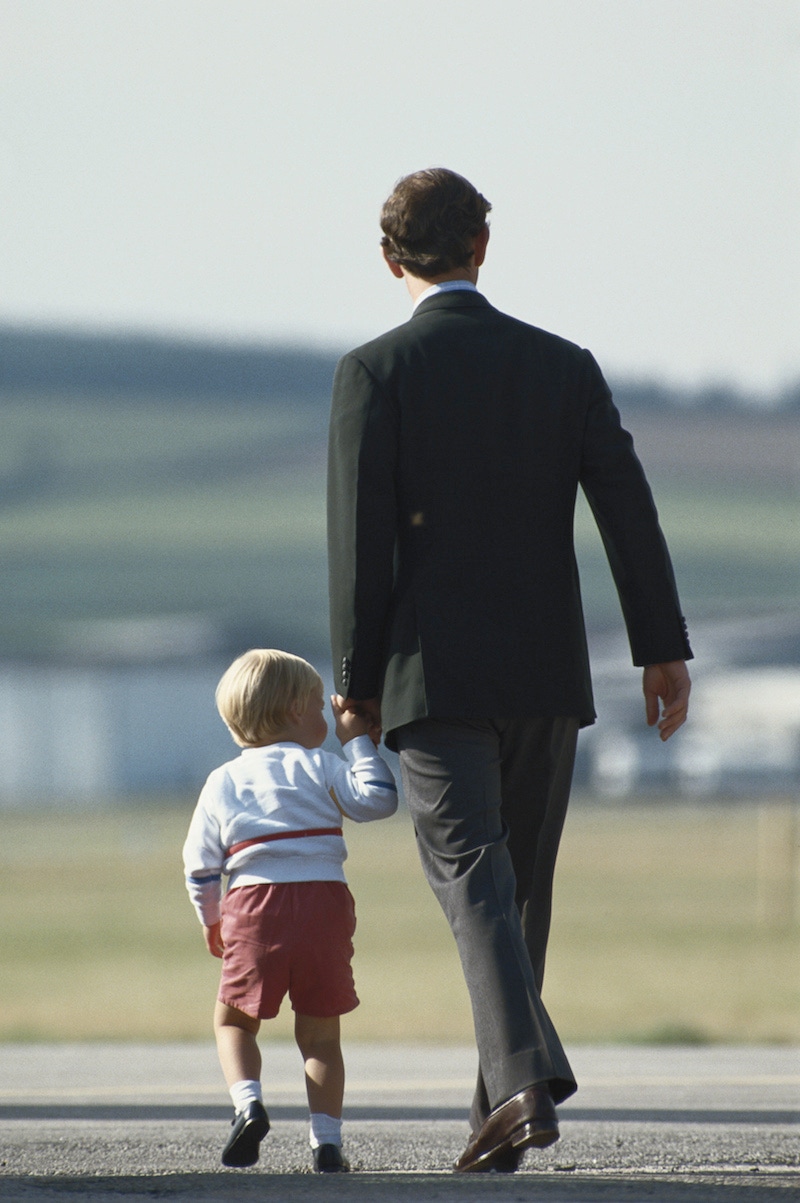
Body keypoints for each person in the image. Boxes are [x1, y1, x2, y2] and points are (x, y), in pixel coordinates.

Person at [327, 168, 692, 1174]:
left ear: (389, 258)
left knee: (474, 879)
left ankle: (521, 1088)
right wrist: (660, 646)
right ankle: (500, 1112)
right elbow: (628, 511)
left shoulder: (372, 373)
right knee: (515, 892)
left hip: (427, 679)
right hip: (541, 671)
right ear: (483, 245)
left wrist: (353, 686)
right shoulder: (561, 366)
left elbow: (360, 549)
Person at [182, 648, 398, 1173]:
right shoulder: (323, 765)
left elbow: (199, 865)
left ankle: (248, 1104)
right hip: (324, 902)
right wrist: (358, 745)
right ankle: (326, 1144)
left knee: (234, 1021)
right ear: (297, 710)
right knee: (321, 1035)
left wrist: (211, 918)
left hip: (254, 905)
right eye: (320, 709)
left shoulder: (222, 781)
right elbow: (378, 801)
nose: (327, 720)